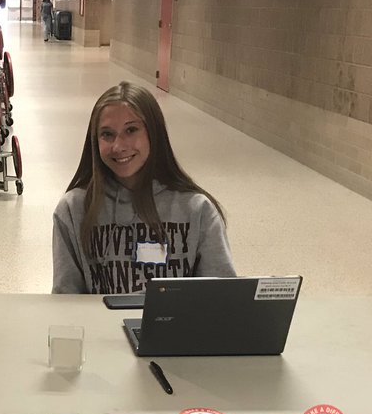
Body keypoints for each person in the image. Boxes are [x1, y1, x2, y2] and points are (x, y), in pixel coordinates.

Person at [52, 81, 235, 294]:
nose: (119, 146)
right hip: (99, 327)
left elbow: (222, 297)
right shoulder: (73, 209)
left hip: (175, 328)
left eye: (131, 130)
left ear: (153, 134)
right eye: (107, 134)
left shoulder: (197, 210)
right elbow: (65, 300)